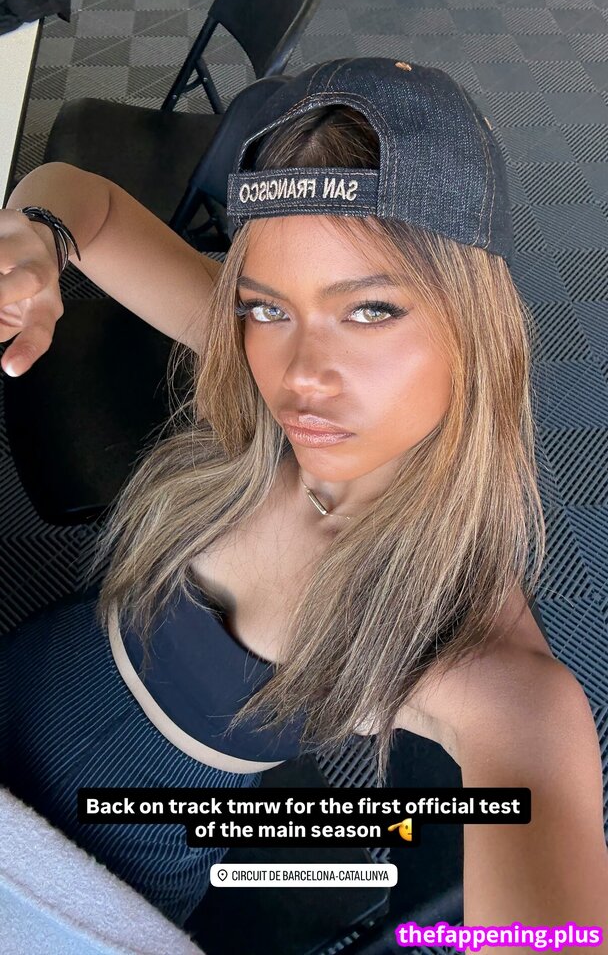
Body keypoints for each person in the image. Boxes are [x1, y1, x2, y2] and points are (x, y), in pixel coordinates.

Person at [0, 58, 607, 939]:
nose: (303, 376)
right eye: (266, 307)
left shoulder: (467, 640)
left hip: (99, 851)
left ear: (477, 321)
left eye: (370, 311)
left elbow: (545, 882)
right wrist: (36, 237)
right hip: (38, 671)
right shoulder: (269, 390)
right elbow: (79, 195)